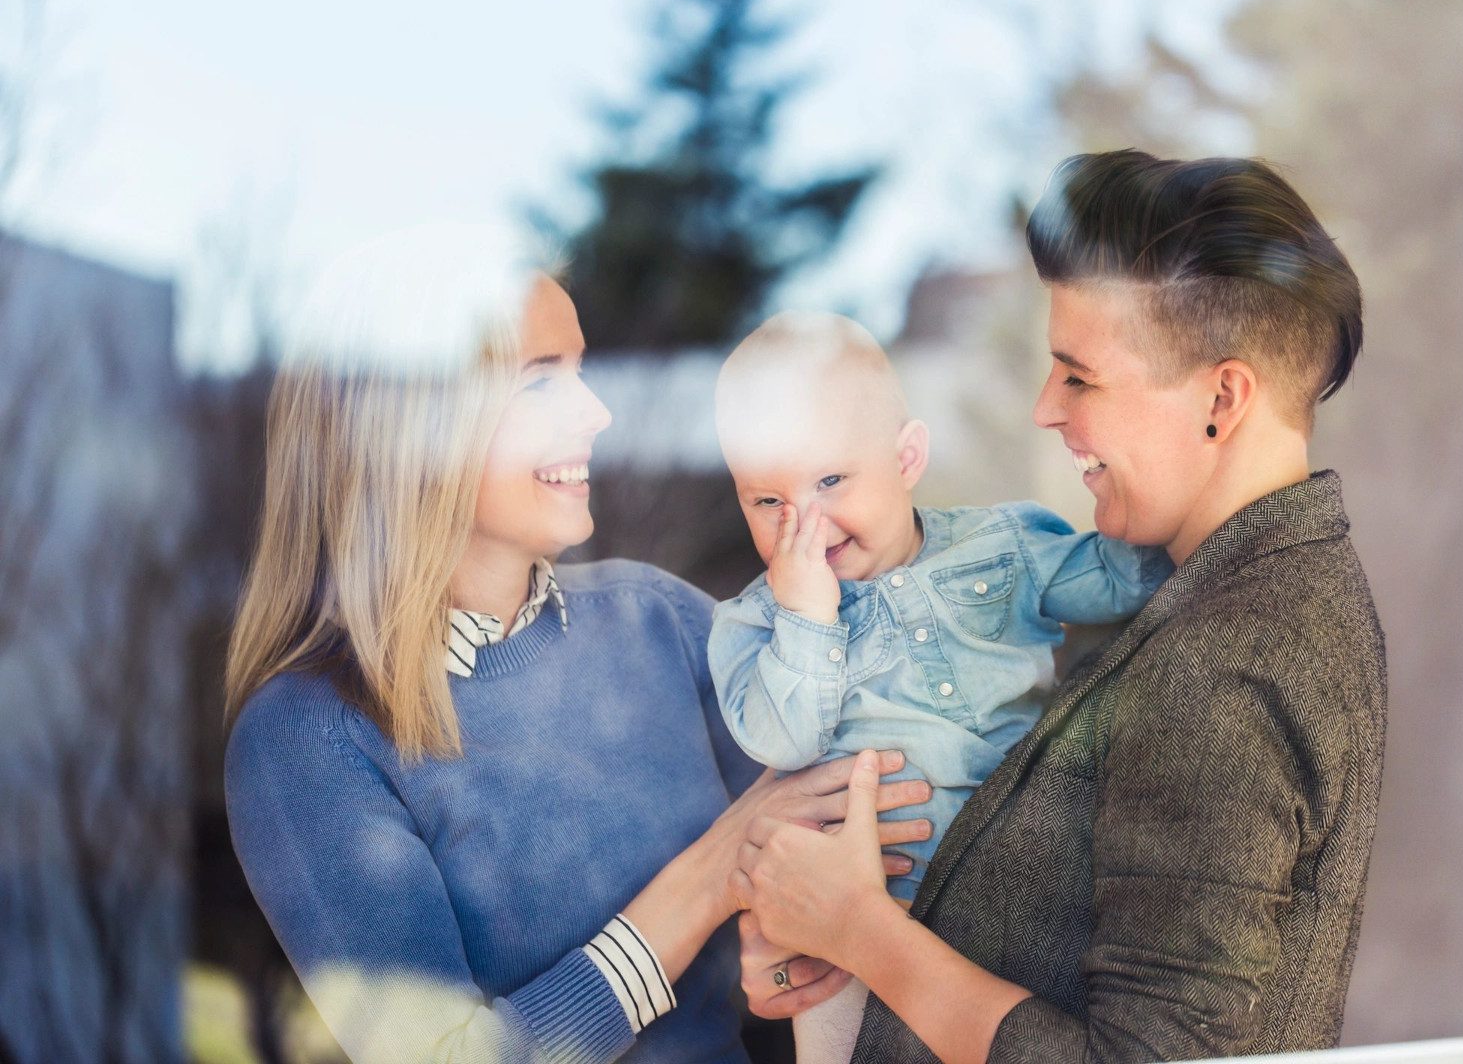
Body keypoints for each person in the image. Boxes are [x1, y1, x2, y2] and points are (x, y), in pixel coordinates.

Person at [732, 150, 1389, 1063]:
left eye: (1079, 376)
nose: (1046, 408)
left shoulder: (1230, 659)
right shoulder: (1251, 595)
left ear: (1222, 399)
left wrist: (857, 931)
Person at [221, 227, 931, 1064]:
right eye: (539, 382)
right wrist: (703, 884)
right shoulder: (307, 741)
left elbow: (871, 835)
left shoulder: (658, 621)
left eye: (582, 372)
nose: (596, 413)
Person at [708, 312, 1171, 1062]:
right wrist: (808, 619)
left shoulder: (1005, 543)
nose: (805, 524)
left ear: (907, 457)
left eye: (830, 480)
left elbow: (1124, 582)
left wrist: (1146, 474)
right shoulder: (755, 624)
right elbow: (782, 738)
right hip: (852, 935)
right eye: (768, 501)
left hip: (1024, 894)